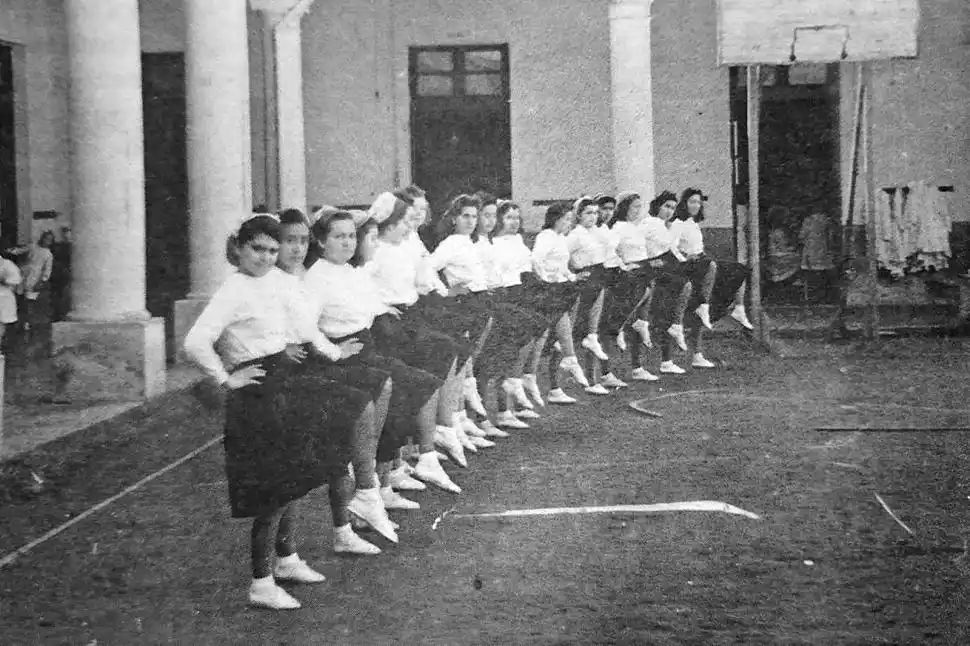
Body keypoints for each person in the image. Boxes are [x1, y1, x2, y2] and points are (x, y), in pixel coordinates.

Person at [183, 214, 365, 610]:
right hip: (258, 394)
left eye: (271, 249)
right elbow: (196, 342)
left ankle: (286, 558)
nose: (265, 257)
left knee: (294, 476)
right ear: (238, 249)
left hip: (283, 381)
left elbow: (294, 326)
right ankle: (261, 582)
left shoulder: (273, 282)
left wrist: (297, 348)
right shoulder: (233, 288)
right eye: (256, 250)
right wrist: (226, 378)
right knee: (272, 487)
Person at [669, 188, 753, 369]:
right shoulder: (678, 223)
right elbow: (673, 248)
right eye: (691, 202)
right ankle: (705, 306)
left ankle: (738, 308)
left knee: (740, 270)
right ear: (684, 203)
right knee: (711, 269)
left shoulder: (693, 223)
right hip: (687, 268)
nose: (695, 206)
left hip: (701, 265)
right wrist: (686, 257)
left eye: (698, 202)